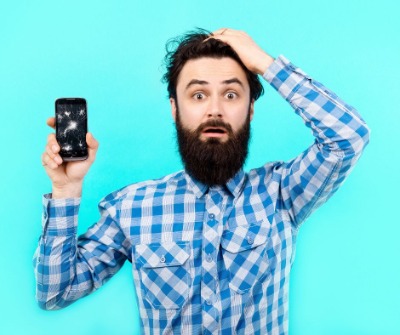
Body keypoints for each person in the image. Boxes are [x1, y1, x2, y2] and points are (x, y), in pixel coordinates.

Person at [35, 28, 370, 334]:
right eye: (197, 96)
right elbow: (55, 293)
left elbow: (349, 137)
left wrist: (267, 65)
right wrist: (66, 189)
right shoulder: (133, 207)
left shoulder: (282, 192)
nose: (215, 110)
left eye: (231, 95)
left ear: (250, 110)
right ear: (174, 109)